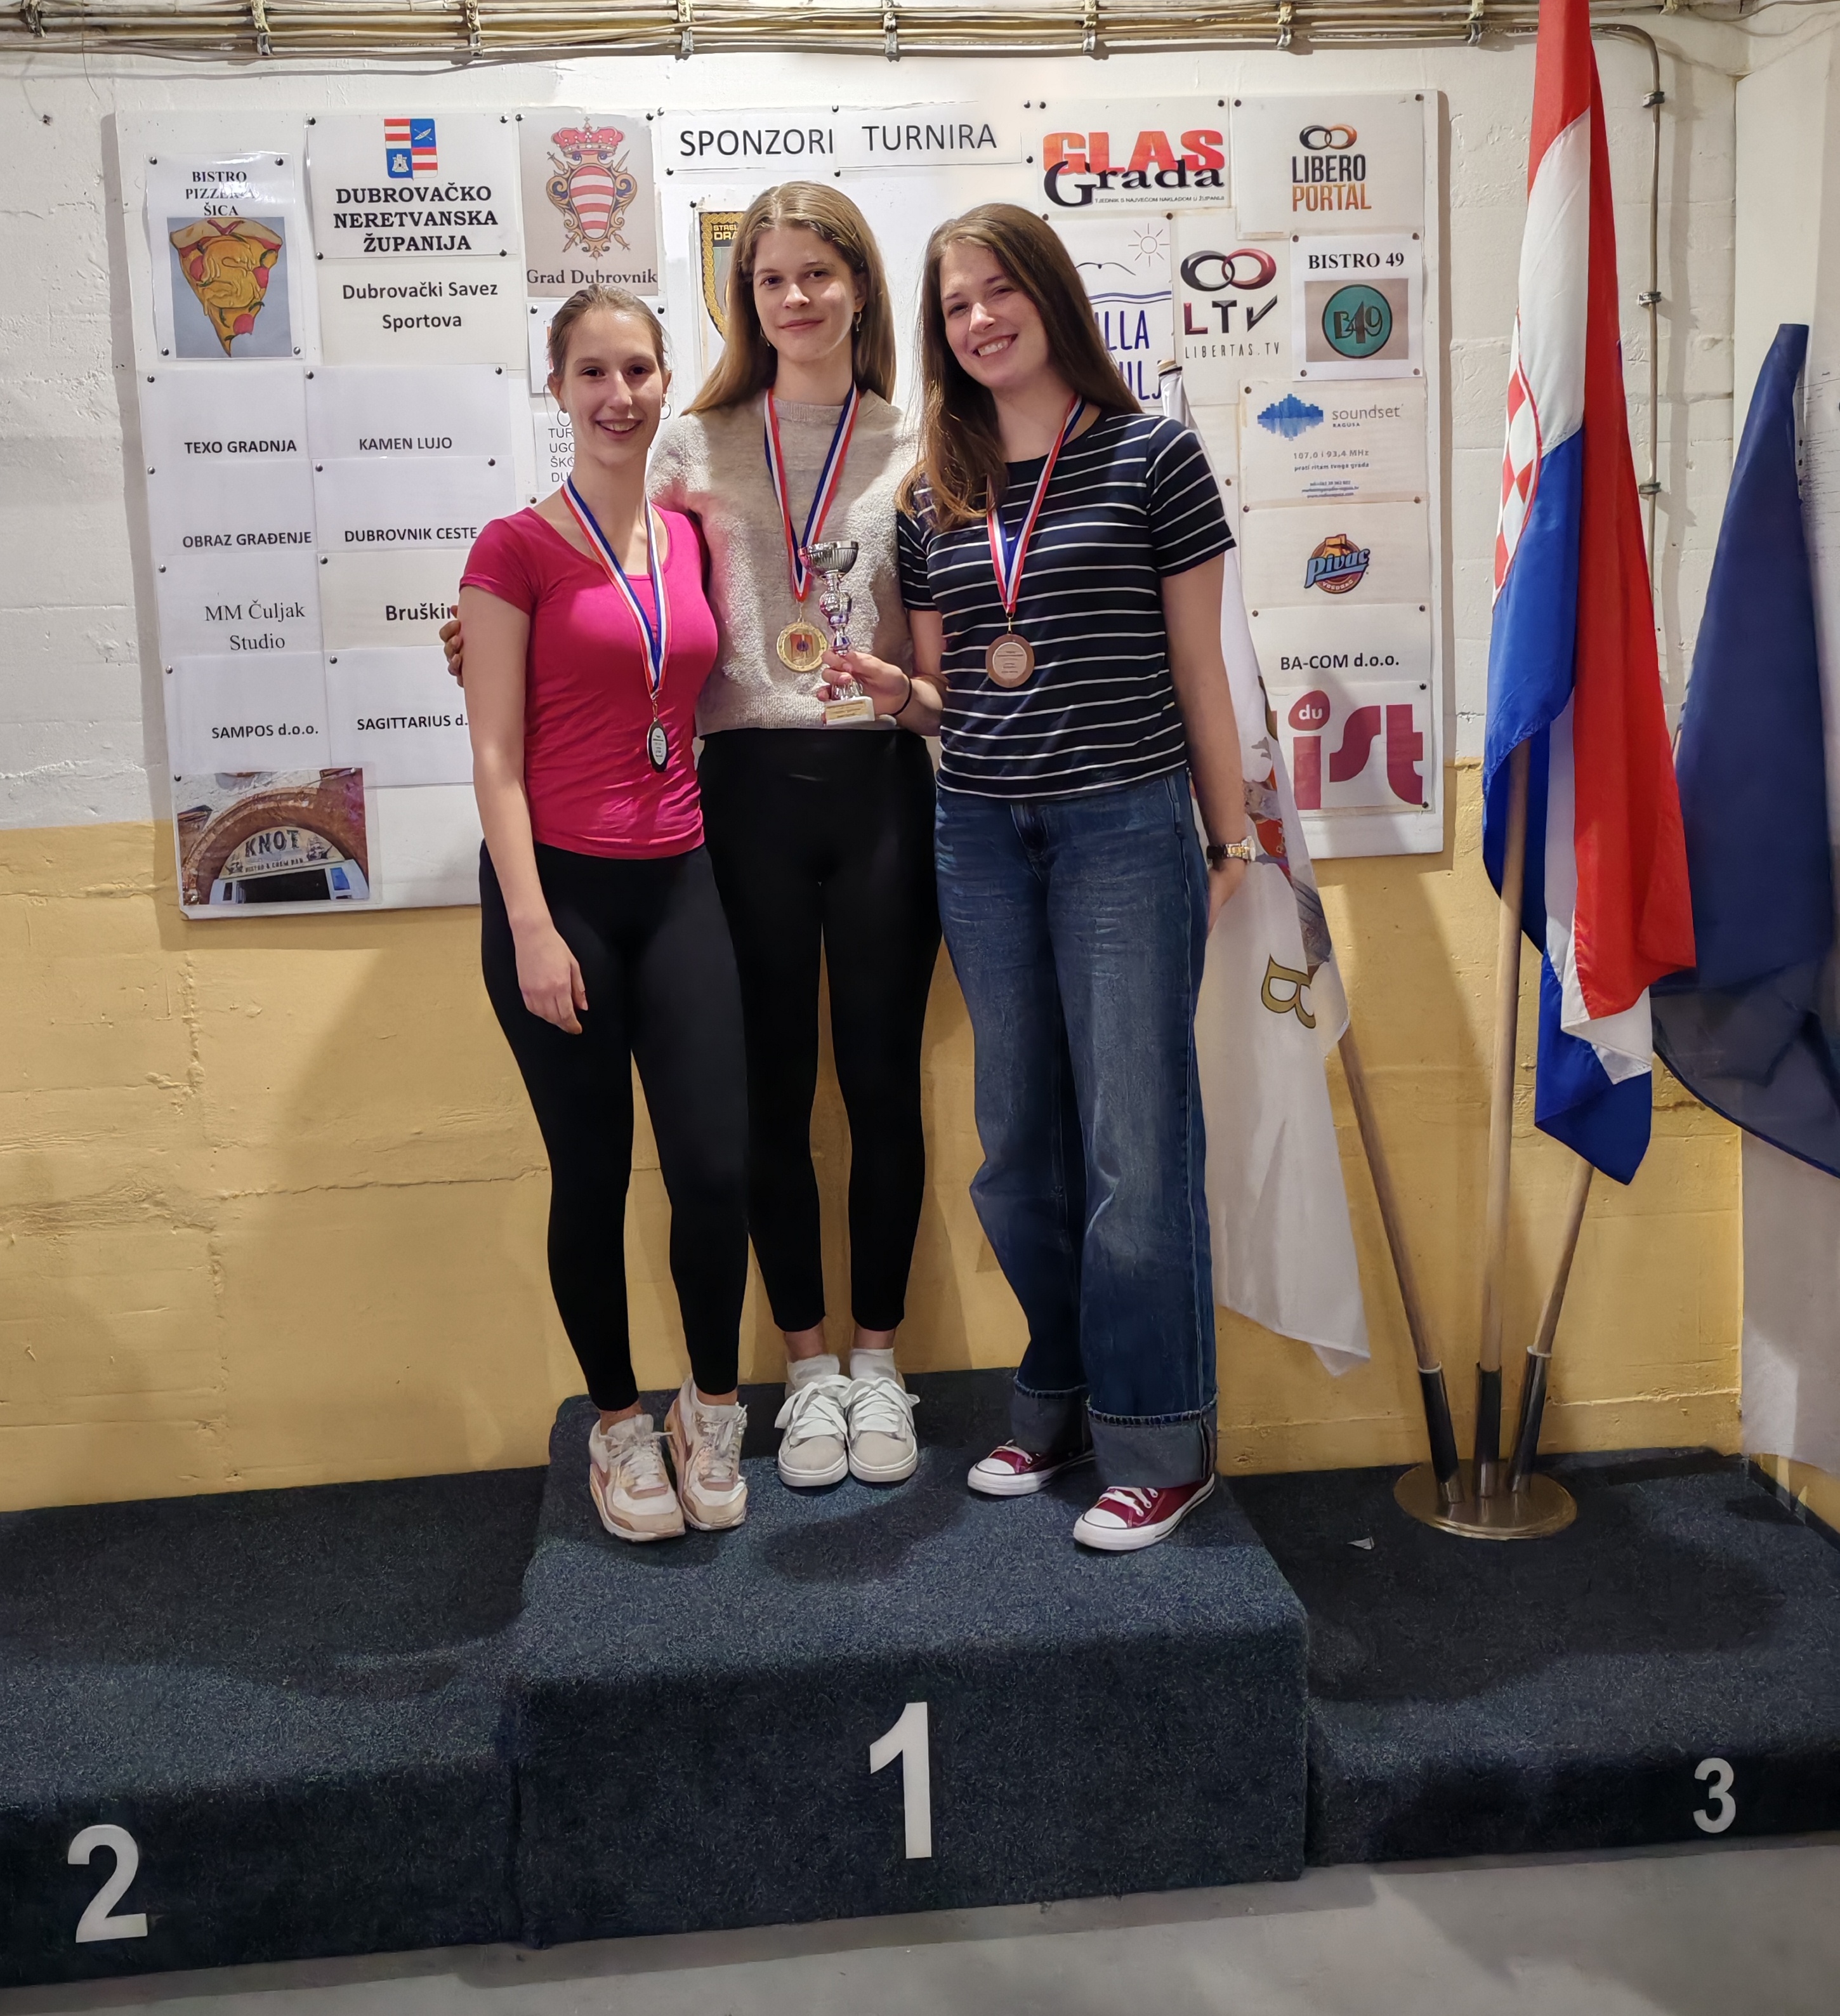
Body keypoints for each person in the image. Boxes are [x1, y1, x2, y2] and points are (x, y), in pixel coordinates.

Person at [446, 186, 937, 1494]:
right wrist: (476, 631)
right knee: (768, 1097)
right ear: (744, 300)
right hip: (740, 796)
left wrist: (923, 692)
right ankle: (805, 1366)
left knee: (881, 1086)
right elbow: (599, 576)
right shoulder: (695, 445)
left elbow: (947, 626)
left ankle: (878, 1364)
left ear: (859, 283)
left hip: (881, 785)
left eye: (819, 272)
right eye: (771, 278)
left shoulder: (920, 439)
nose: (797, 297)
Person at [825, 205, 1255, 1553]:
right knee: (1018, 1150)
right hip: (980, 833)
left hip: (1124, 828)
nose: (978, 320)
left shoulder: (1151, 457)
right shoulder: (933, 495)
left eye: (999, 290)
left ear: (1051, 297)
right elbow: (949, 693)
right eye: (955, 304)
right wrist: (896, 690)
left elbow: (1200, 669)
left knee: (1135, 1147)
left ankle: (1159, 1440)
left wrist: (1229, 836)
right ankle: (1056, 1400)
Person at [459, 286, 751, 1545]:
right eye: (592, 372)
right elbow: (494, 755)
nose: (618, 394)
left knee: (717, 1168)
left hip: (680, 881)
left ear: (664, 379)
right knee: (588, 1171)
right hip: (559, 895)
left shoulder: (688, 536)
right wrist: (531, 925)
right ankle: (619, 1423)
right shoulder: (513, 549)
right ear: (557, 387)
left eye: (638, 369)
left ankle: (711, 1405)